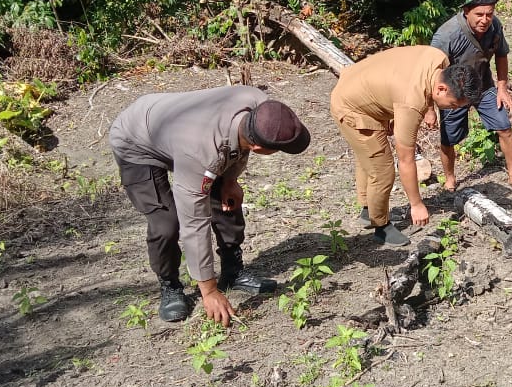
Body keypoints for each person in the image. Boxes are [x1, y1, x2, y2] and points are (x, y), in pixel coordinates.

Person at [109, 88, 311, 325]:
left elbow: (238, 147)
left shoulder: (263, 109)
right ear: (259, 147)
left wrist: (231, 180)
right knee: (167, 222)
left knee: (227, 199)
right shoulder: (202, 151)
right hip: (136, 140)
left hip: (182, 130)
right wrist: (209, 291)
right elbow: (194, 223)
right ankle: (170, 285)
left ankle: (232, 272)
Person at [330, 45, 482, 247]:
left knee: (369, 156)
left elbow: (414, 81)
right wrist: (416, 204)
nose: (453, 110)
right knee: (381, 168)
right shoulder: (411, 102)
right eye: (453, 105)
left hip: (358, 81)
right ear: (442, 89)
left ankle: (369, 209)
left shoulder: (438, 60)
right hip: (351, 106)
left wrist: (430, 108)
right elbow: (406, 159)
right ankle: (380, 226)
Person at [430, 0, 512, 193]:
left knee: (504, 126)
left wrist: (502, 88)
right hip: (454, 93)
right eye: (479, 14)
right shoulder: (447, 35)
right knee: (448, 137)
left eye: (489, 14)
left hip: (484, 86)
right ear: (466, 11)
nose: (485, 19)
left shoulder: (494, 27)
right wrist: (429, 108)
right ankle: (450, 179)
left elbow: (502, 55)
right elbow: (431, 72)